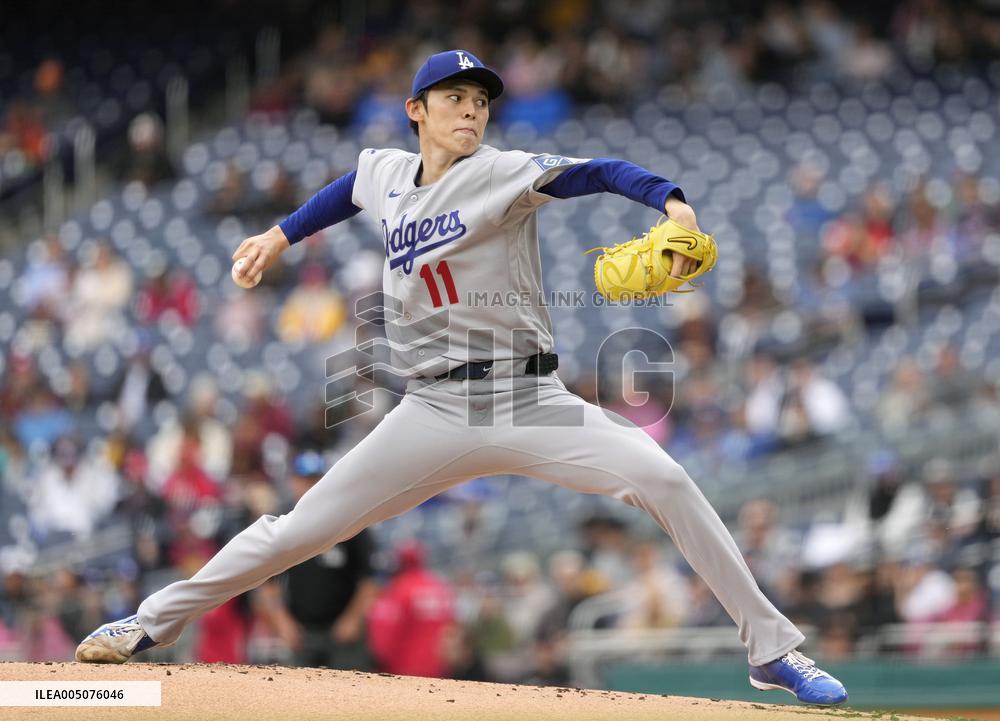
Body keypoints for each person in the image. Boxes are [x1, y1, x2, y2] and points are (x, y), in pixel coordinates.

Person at [75, 49, 847, 706]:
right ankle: (148, 622)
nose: (471, 111)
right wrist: (280, 234)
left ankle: (770, 650)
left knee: (667, 480)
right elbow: (347, 189)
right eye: (455, 99)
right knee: (300, 531)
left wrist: (674, 206)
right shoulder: (384, 171)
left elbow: (599, 170)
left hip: (532, 396)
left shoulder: (505, 173)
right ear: (417, 108)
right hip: (434, 408)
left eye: (479, 100)